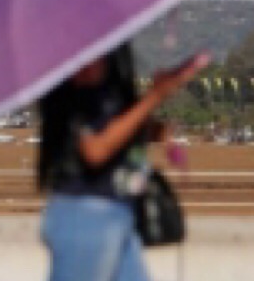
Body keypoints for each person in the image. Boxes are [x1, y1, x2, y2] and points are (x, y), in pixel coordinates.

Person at [37, 43, 209, 281]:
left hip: (118, 213)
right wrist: (154, 97)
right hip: (87, 217)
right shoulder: (72, 99)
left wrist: (155, 130)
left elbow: (117, 130)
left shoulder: (106, 93)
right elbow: (95, 151)